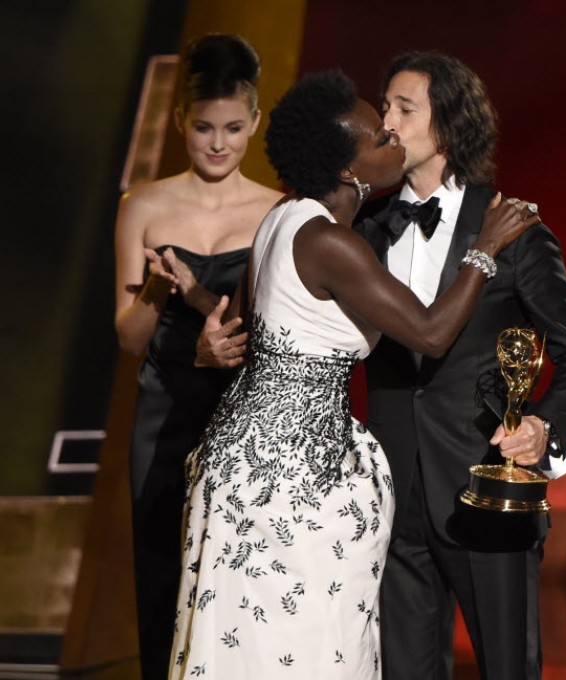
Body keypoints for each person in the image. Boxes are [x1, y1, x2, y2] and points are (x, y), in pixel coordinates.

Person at [169, 68, 539, 679]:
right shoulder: (326, 240)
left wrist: (202, 320)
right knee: (299, 645)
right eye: (378, 138)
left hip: (252, 455)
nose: (392, 136)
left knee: (257, 644)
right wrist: (486, 248)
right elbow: (428, 332)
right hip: (290, 479)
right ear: (349, 169)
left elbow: (246, 326)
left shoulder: (283, 218)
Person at [363, 51, 566, 679]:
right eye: (384, 105)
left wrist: (543, 428)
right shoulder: (363, 230)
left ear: (445, 126)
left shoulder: (513, 227)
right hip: (391, 496)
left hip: (485, 487)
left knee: (508, 668)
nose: (384, 121)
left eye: (402, 108)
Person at [112, 33, 281, 680]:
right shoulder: (144, 206)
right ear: (181, 119)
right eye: (205, 126)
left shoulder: (277, 211)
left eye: (234, 128)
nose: (218, 143)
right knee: (162, 581)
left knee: (242, 585)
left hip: (244, 415)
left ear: (255, 123)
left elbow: (276, 333)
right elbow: (129, 338)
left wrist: (224, 350)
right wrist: (158, 288)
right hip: (165, 413)